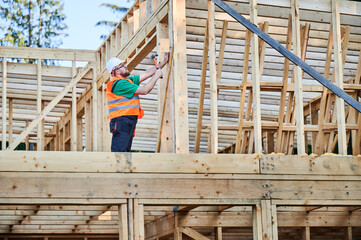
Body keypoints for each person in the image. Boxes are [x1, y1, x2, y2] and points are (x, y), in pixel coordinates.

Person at [106, 52, 169, 152]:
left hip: (127, 121)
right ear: (116, 71)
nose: (126, 66)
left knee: (125, 153)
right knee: (120, 154)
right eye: (122, 65)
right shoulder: (119, 84)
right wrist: (156, 76)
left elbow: (147, 73)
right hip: (122, 121)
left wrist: (163, 63)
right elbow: (144, 90)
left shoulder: (127, 81)